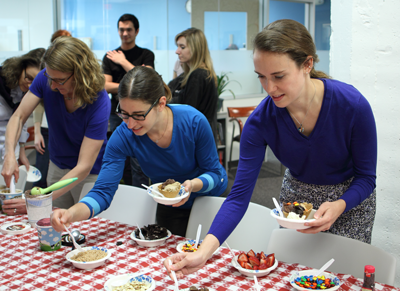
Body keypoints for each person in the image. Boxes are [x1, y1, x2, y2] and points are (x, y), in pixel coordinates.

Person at [164, 19, 377, 278]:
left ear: (307, 64)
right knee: (297, 276)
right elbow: (238, 197)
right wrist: (202, 252)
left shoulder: (352, 106)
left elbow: (366, 178)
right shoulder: (260, 122)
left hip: (349, 201)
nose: (269, 88)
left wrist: (340, 205)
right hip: (298, 200)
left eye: (278, 76)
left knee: (345, 278)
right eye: (262, 77)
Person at [50, 66, 228, 237]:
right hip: (171, 207)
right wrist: (71, 214)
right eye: (124, 113)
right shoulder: (124, 135)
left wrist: (191, 185)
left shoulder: (193, 122)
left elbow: (215, 173)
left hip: (210, 200)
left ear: (161, 103)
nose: (130, 124)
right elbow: (103, 192)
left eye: (139, 115)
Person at [1, 36, 110, 216]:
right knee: (53, 222)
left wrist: (42, 198)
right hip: (57, 165)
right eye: (50, 78)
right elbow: (18, 116)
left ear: (80, 74)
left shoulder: (99, 101)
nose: (51, 86)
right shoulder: (46, 78)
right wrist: (9, 155)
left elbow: (84, 166)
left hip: (90, 174)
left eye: (59, 80)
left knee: (84, 229)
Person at [102, 13, 155, 187]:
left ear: (137, 31)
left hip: (141, 114)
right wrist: (132, 86)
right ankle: (124, 192)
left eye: (129, 29)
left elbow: (147, 81)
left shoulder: (146, 55)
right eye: (121, 29)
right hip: (117, 113)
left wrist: (123, 62)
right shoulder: (110, 56)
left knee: (139, 157)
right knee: (120, 156)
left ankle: (140, 194)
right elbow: (105, 86)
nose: (125, 33)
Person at [33, 29, 72, 189]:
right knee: (41, 173)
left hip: (65, 130)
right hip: (47, 129)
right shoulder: (46, 73)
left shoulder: (70, 76)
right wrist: (36, 132)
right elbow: (38, 104)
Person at [168, 28, 219, 146]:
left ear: (195, 49)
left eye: (182, 47)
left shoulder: (198, 76)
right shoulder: (200, 73)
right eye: (177, 46)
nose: (177, 51)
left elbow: (188, 113)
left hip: (196, 140)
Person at [0, 48, 45, 168]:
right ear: (21, 67)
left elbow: (21, 120)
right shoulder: (2, 82)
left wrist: (21, 151)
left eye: (36, 82)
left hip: (9, 149)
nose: (31, 85)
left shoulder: (27, 92)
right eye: (29, 78)